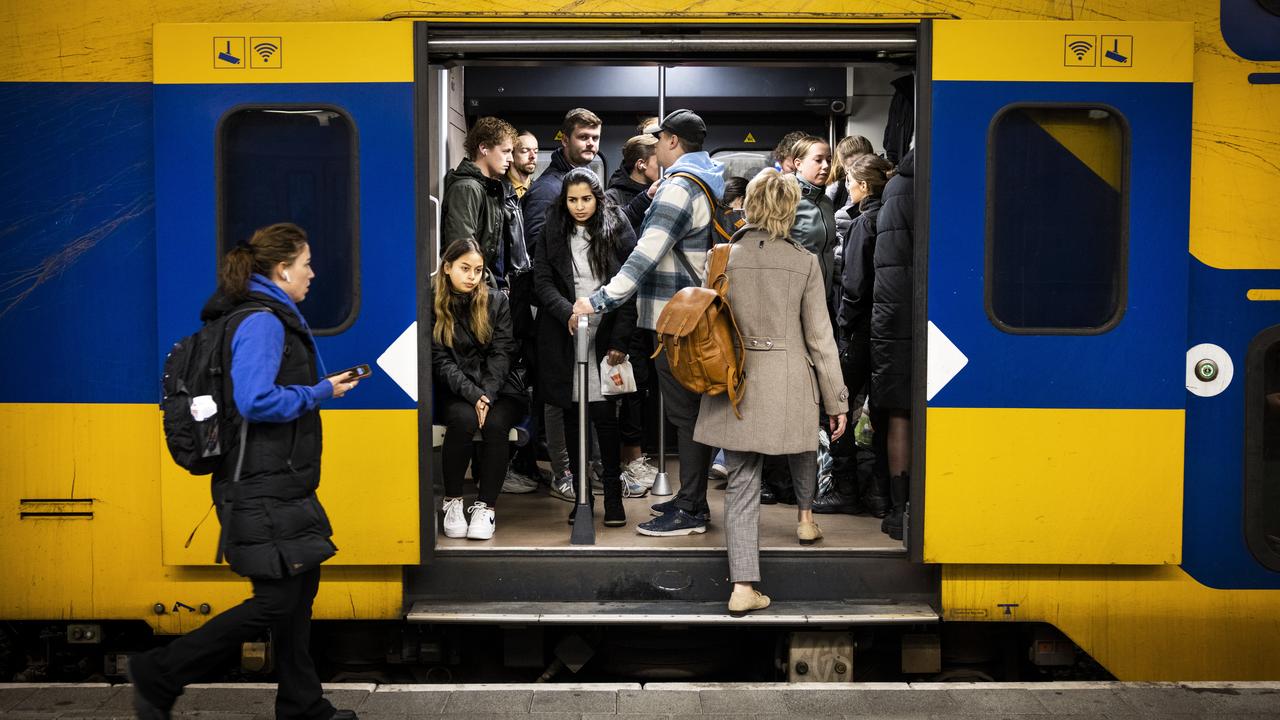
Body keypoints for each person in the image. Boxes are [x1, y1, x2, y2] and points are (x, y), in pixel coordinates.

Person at [129, 223, 362, 720]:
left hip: (278, 481)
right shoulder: (262, 321)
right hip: (258, 484)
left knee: (298, 593)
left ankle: (303, 706)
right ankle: (161, 672)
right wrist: (320, 392)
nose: (312, 274)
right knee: (278, 602)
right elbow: (255, 400)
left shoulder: (264, 315)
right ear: (282, 270)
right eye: (306, 264)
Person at [692, 169, 849, 614]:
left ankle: (743, 586)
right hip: (790, 376)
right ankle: (805, 518)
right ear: (789, 210)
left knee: (742, 482)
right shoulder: (803, 261)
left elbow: (712, 324)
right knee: (802, 443)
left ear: (751, 205)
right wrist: (836, 400)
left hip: (735, 379)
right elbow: (820, 336)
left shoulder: (723, 256)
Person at [572, 108, 727, 537]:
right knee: (689, 412)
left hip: (677, 320)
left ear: (673, 142)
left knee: (687, 416)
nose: (656, 146)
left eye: (660, 140)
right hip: (692, 315)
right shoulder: (706, 181)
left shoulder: (678, 188)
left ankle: (694, 509)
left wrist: (598, 300)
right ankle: (689, 497)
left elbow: (645, 255)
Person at [534, 168, 640, 527]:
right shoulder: (553, 227)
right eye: (572, 200)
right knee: (572, 416)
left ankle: (612, 495)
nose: (580, 206)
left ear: (598, 198)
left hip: (604, 331)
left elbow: (629, 284)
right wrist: (567, 311)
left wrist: (619, 340)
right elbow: (543, 280)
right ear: (564, 202)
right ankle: (582, 497)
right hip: (565, 332)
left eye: (586, 199)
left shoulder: (617, 226)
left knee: (604, 418)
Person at [816, 154, 896, 517]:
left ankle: (846, 489)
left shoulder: (864, 223)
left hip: (860, 328)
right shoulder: (896, 218)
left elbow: (855, 284)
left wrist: (842, 327)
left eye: (849, 182)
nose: (848, 189)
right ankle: (881, 494)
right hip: (889, 328)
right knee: (880, 409)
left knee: (838, 405)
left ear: (862, 186)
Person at [430, 238, 523, 541]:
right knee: (463, 420)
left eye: (478, 270)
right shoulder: (433, 304)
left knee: (496, 424)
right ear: (447, 268)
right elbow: (440, 360)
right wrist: (474, 395)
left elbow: (503, 352)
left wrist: (487, 395)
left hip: (501, 388)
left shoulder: (497, 301)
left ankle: (486, 507)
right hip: (457, 389)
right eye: (465, 268)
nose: (472, 276)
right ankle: (453, 501)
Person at [872, 148, 915, 540]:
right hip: (933, 315)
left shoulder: (897, 187)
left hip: (894, 316)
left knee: (900, 413)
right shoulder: (942, 180)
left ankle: (900, 510)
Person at [441, 117, 516, 279]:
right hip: (476, 287)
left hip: (487, 285)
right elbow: (463, 251)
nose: (511, 159)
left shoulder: (488, 188)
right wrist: (487, 283)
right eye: (505, 151)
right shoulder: (467, 188)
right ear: (484, 148)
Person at [788, 135, 838, 294]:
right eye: (818, 160)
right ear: (798, 164)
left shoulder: (826, 202)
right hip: (795, 294)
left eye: (829, 160)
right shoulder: (786, 199)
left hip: (824, 293)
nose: (825, 166)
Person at [606, 134, 661, 235]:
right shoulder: (612, 196)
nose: (664, 166)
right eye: (659, 162)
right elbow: (610, 232)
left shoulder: (662, 192)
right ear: (641, 164)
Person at [825, 135, 874, 210]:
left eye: (863, 165)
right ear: (844, 168)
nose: (858, 172)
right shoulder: (836, 189)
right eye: (852, 169)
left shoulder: (882, 184)